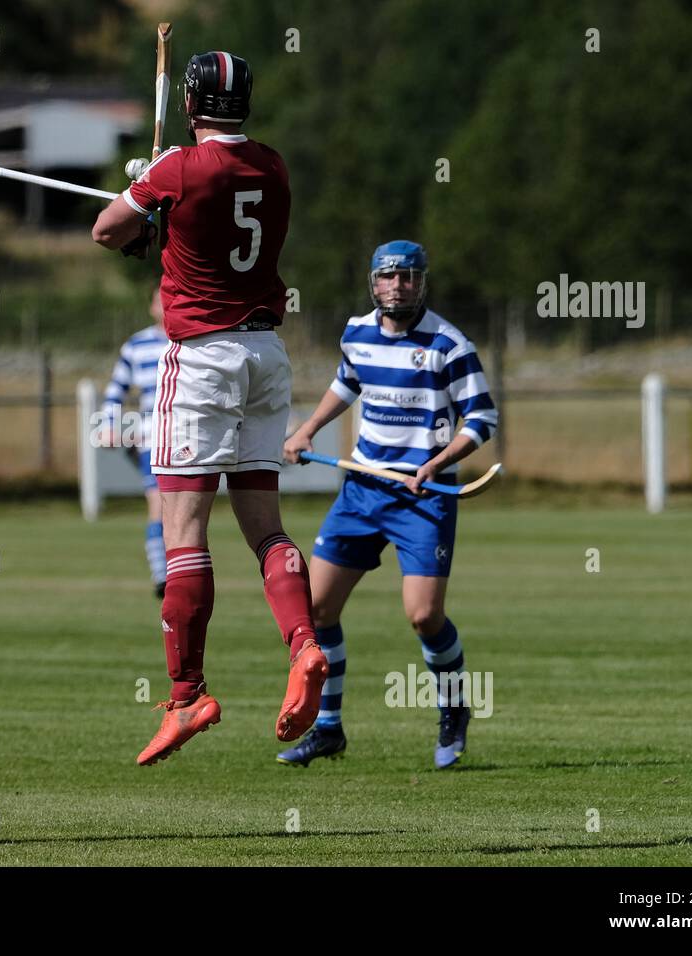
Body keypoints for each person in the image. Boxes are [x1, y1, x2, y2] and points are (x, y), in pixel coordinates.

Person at [92, 52, 326, 766]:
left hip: (201, 360)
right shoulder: (274, 166)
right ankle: (306, 644)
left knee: (183, 532)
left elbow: (107, 231)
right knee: (266, 528)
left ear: (191, 101)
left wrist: (144, 194)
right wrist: (162, 205)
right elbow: (214, 226)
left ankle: (188, 693)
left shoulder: (178, 170)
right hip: (266, 356)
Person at [277, 240, 498, 769]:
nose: (398, 286)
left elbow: (482, 420)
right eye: (388, 277)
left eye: (409, 277)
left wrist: (436, 462)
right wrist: (307, 429)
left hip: (423, 497)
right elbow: (347, 383)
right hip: (362, 489)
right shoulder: (357, 332)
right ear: (372, 282)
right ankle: (328, 728)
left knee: (424, 616)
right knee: (317, 608)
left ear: (423, 283)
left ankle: (453, 710)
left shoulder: (449, 344)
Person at [98, 287, 171, 597]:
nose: (166, 305)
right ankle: (161, 577)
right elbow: (116, 391)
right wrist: (108, 425)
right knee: (158, 505)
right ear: (152, 306)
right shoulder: (136, 345)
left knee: (185, 511)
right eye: (161, 300)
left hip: (192, 438)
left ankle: (182, 574)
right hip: (153, 438)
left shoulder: (194, 340)